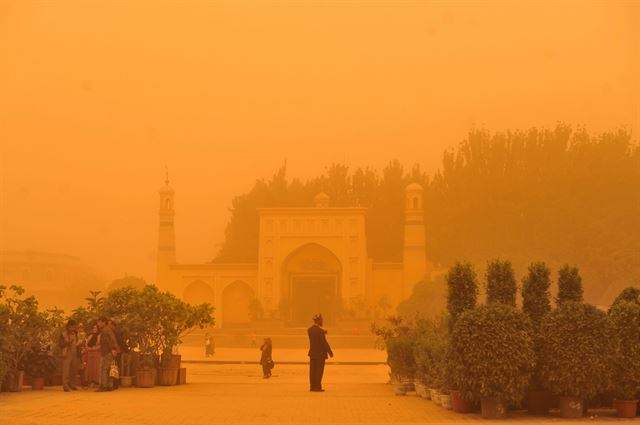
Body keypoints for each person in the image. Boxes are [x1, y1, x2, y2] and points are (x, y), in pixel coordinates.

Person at [307, 313, 333, 392]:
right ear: (318, 321)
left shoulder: (309, 330)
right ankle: (317, 387)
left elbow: (315, 334)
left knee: (312, 370)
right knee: (319, 370)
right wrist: (330, 352)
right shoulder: (320, 331)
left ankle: (312, 386)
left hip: (312, 353)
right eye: (321, 320)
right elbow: (323, 342)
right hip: (320, 354)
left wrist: (322, 332)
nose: (322, 321)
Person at [95, 317, 120, 392]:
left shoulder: (104, 330)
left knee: (104, 369)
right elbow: (113, 340)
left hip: (106, 352)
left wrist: (112, 349)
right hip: (110, 351)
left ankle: (103, 386)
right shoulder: (108, 329)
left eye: (99, 322)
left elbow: (109, 341)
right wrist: (114, 349)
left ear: (103, 322)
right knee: (109, 369)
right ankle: (110, 385)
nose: (98, 324)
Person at [60, 319, 79, 392]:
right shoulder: (63, 334)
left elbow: (76, 343)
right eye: (72, 327)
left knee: (73, 370)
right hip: (66, 353)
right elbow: (61, 344)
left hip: (74, 353)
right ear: (68, 326)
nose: (73, 328)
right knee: (66, 370)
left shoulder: (75, 334)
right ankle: (65, 385)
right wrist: (68, 342)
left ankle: (72, 384)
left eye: (74, 327)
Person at [108, 320, 127, 390]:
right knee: (115, 367)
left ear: (113, 325)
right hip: (116, 351)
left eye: (109, 324)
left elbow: (120, 341)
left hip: (116, 351)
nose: (108, 326)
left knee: (114, 367)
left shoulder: (115, 332)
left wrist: (124, 349)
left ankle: (115, 384)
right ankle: (115, 384)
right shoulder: (114, 331)